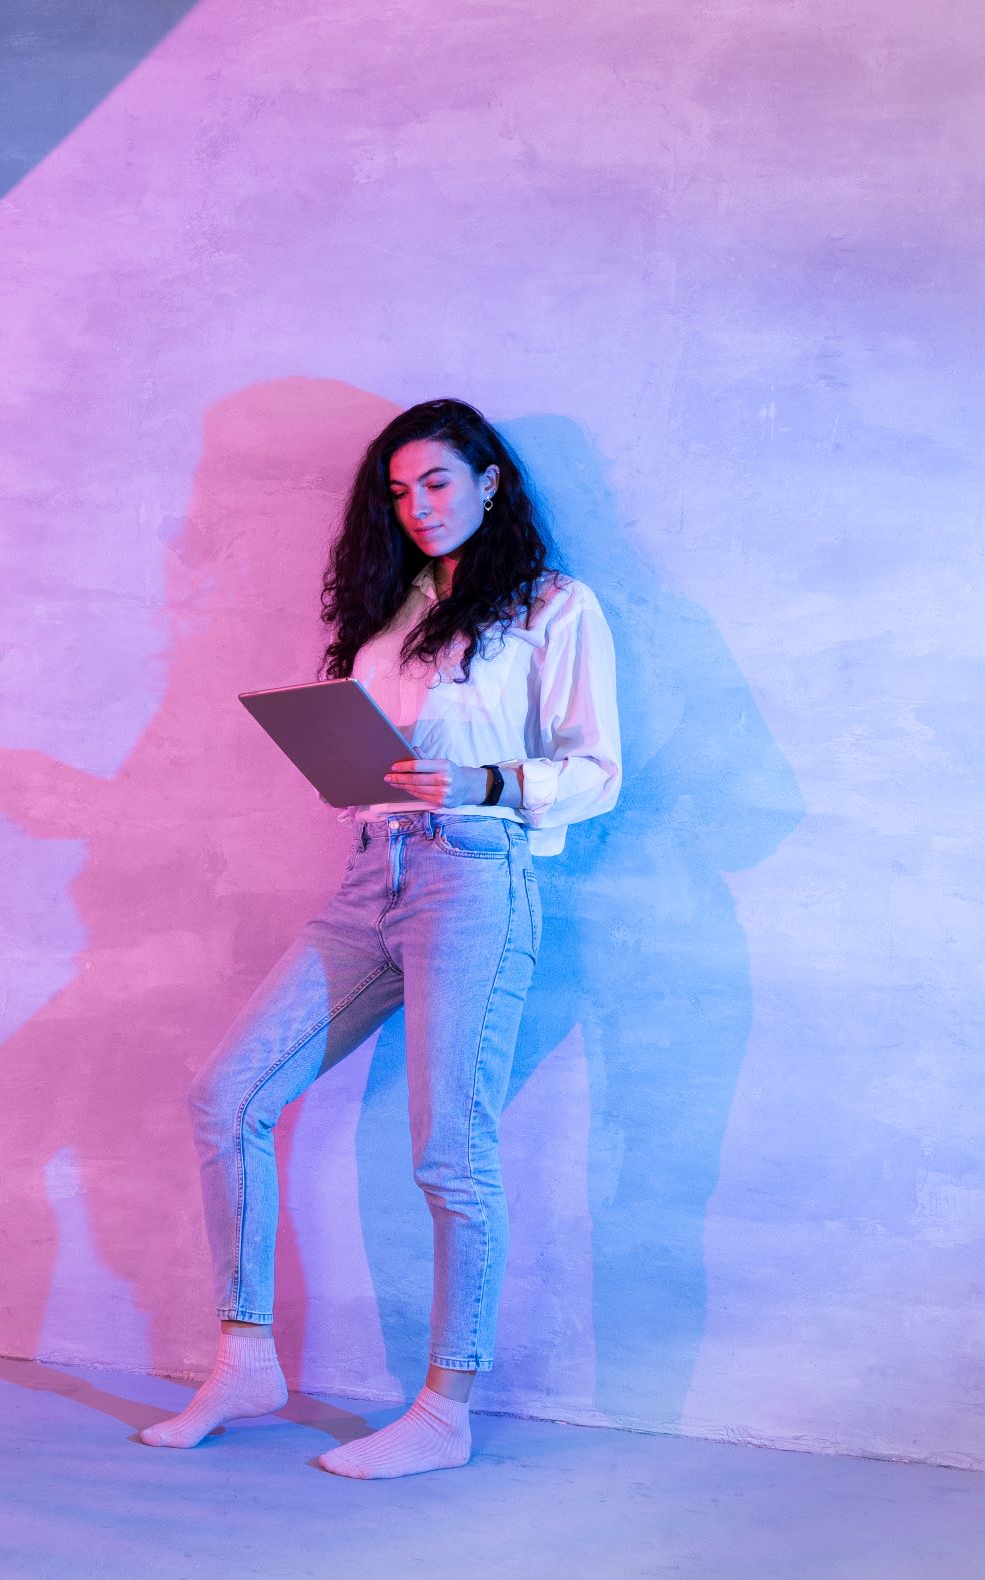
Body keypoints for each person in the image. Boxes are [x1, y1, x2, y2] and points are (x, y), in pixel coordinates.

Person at [135, 397, 622, 1478]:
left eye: (438, 482)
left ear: (490, 482)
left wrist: (481, 781)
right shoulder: (393, 613)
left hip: (476, 879)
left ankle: (445, 1412)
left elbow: (598, 771)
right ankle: (245, 1360)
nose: (418, 507)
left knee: (451, 1152)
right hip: (371, 877)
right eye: (400, 492)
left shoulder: (554, 606)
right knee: (228, 1098)